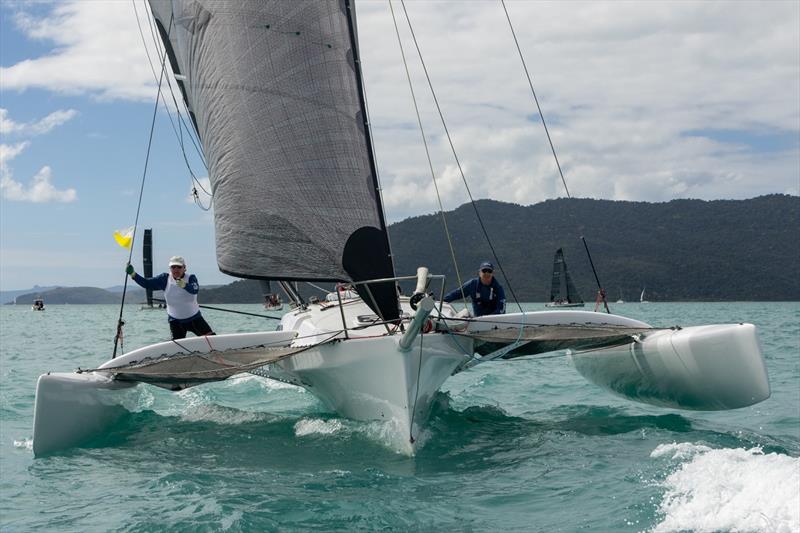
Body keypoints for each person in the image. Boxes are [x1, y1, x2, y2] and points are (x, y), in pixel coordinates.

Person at [126, 255, 215, 339]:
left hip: (195, 319)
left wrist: (185, 285)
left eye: (179, 267)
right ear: (170, 268)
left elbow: (195, 289)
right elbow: (147, 283)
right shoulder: (164, 279)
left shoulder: (191, 278)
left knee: (213, 342)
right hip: (176, 322)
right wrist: (133, 274)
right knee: (177, 350)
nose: (176, 269)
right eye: (173, 267)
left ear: (184, 268)